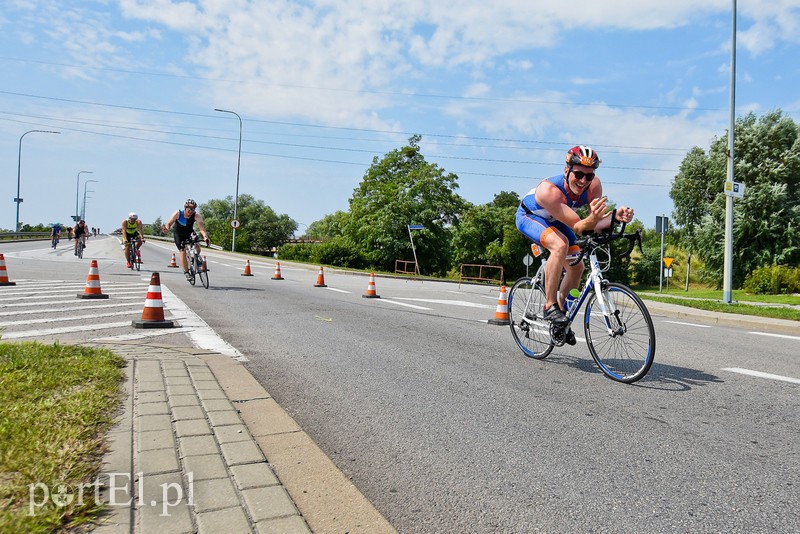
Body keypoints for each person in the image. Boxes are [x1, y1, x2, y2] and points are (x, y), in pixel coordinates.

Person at [516, 145, 635, 333]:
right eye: (578, 174)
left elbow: (592, 224)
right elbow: (580, 227)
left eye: (589, 176)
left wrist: (615, 216)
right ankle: (550, 305)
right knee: (559, 245)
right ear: (567, 170)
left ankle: (560, 316)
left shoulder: (593, 185)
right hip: (529, 216)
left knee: (577, 267)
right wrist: (596, 220)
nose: (583, 181)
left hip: (558, 219)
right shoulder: (549, 191)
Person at [162, 199, 210, 280]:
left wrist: (205, 237)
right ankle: (186, 272)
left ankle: (196, 257)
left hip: (189, 233)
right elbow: (169, 223)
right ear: (185, 208)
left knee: (197, 245)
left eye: (193, 209)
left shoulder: (196, 216)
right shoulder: (178, 213)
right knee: (183, 251)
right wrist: (166, 228)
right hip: (179, 234)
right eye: (189, 209)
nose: (190, 211)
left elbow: (201, 228)